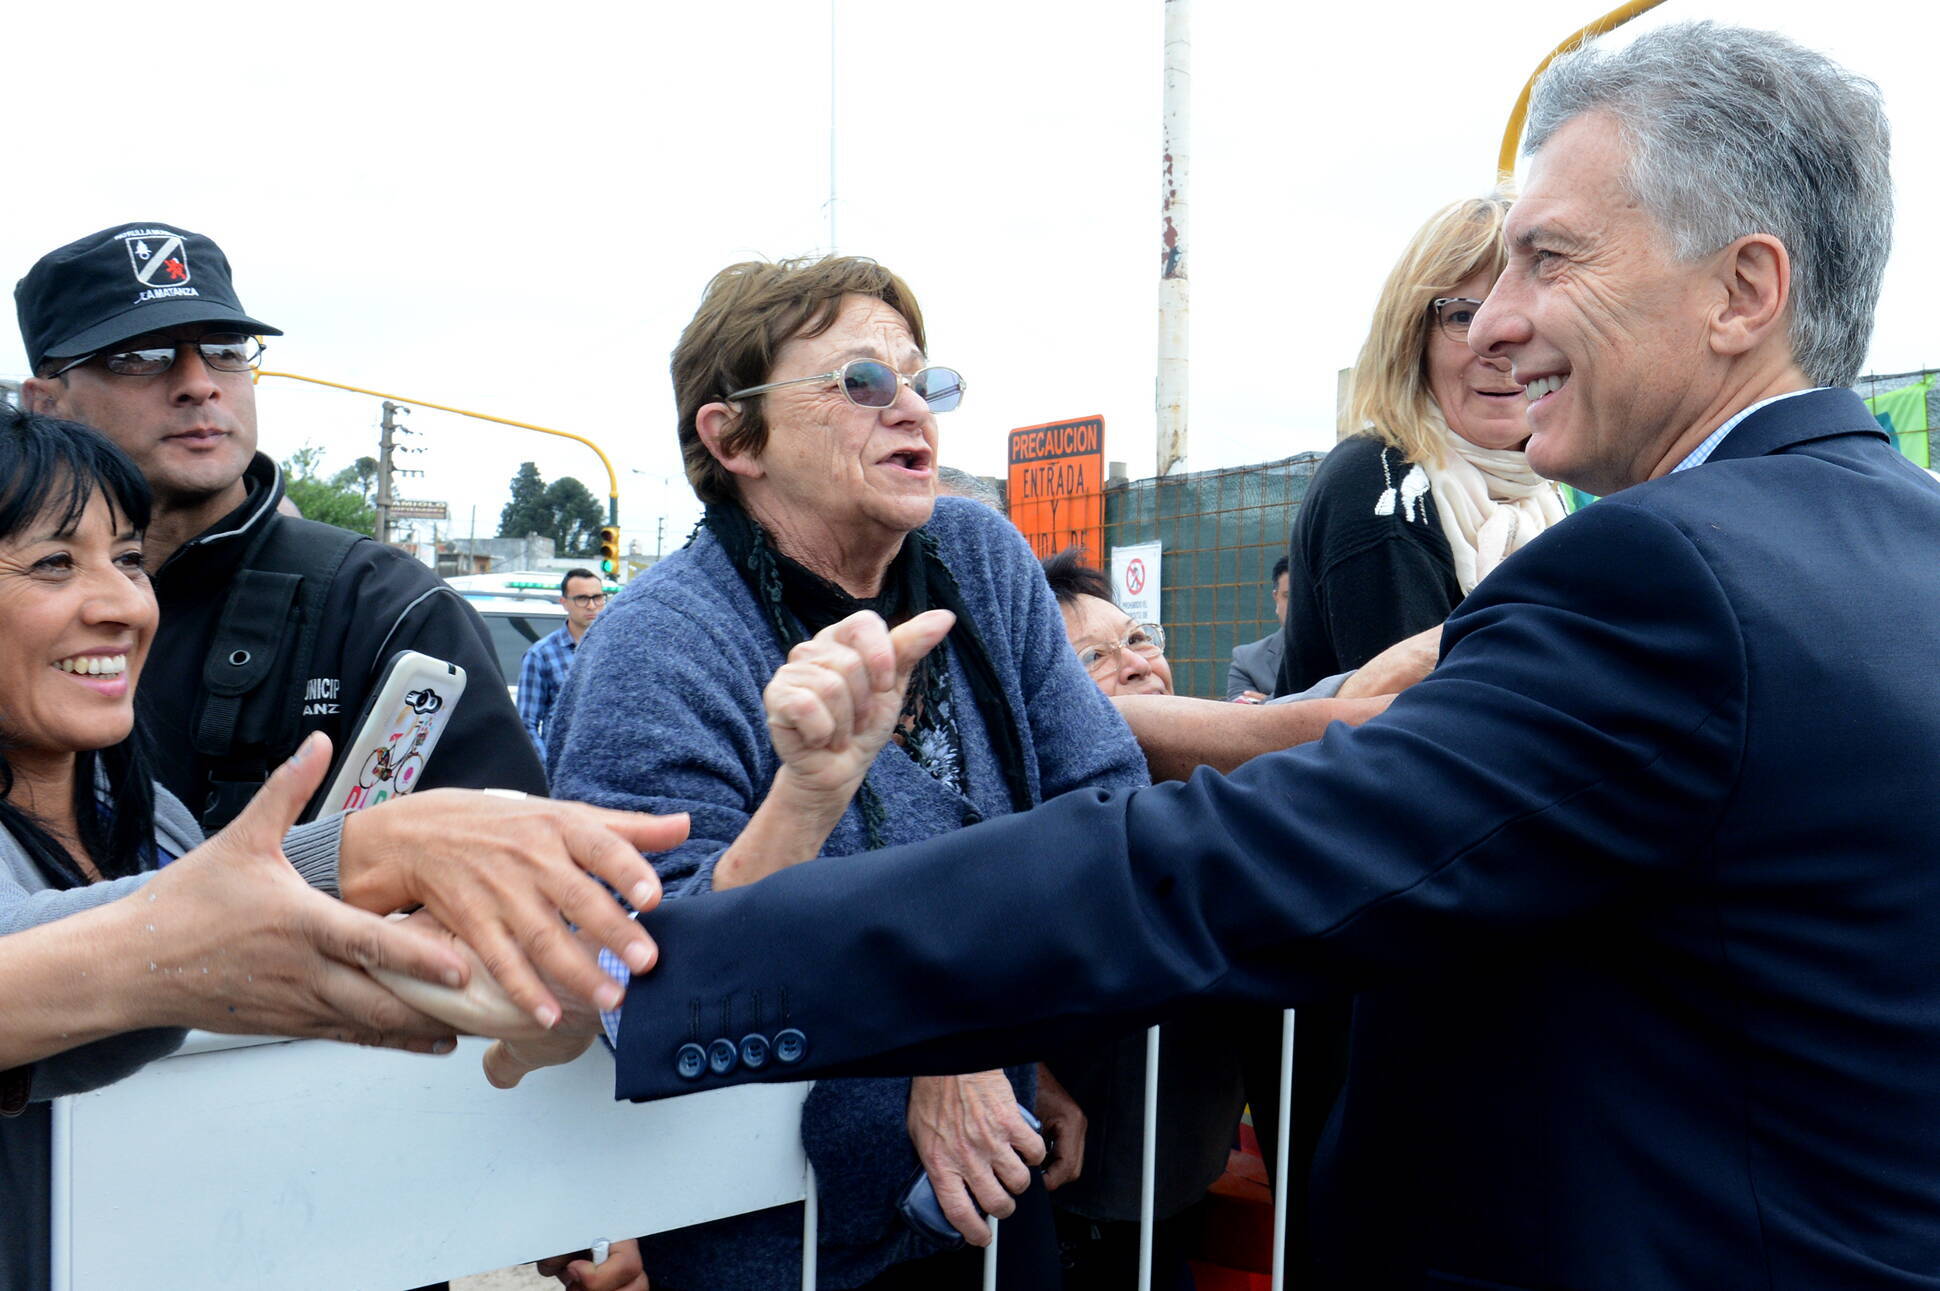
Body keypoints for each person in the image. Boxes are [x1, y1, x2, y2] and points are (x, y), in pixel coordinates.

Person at [593, 22, 1940, 1288]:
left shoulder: (1661, 574)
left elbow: (1189, 867)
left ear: (1743, 291)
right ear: (731, 436)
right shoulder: (1896, 544)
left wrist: (713, 963)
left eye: (1550, 260)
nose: (1498, 322)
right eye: (1486, 281)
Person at [545, 256, 1148, 1291]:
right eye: (862, 382)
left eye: (923, 381)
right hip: (774, 1236)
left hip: (990, 1191)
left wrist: (979, 1035)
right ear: (732, 437)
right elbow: (644, 978)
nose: (910, 406)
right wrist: (921, 1032)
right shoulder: (656, 647)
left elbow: (1105, 810)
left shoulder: (978, 558)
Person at [0, 407, 684, 1291]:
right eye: (55, 562)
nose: (125, 605)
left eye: (130, 559)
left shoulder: (143, 810)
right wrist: (356, 856)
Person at [15, 222, 547, 831]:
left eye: (225, 348)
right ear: (44, 402)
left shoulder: (384, 607)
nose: (198, 384)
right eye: (142, 357)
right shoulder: (15, 610)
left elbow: (499, 866)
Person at [1039, 548, 1245, 1291]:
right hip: (1074, 1198)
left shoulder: (1208, 774)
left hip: (1175, 1191)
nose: (1133, 664)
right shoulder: (1039, 806)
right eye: (1092, 655)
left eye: (1138, 638)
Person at [1275, 194, 1565, 696]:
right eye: (1462, 317)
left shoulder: (1548, 493)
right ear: (1412, 338)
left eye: (1531, 314)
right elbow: (1420, 734)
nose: (1498, 348)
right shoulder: (1382, 484)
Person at [518, 567, 606, 755]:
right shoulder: (541, 655)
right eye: (582, 598)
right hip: (562, 768)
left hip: (605, 769)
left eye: (597, 597)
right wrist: (548, 770)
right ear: (564, 602)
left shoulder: (614, 649)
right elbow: (526, 724)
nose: (591, 606)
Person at [1224, 556, 1287, 702]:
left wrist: (1268, 703)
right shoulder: (1247, 660)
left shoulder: (1346, 654)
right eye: (1289, 595)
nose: (1299, 603)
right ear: (1276, 598)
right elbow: (1241, 716)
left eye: (1306, 594)